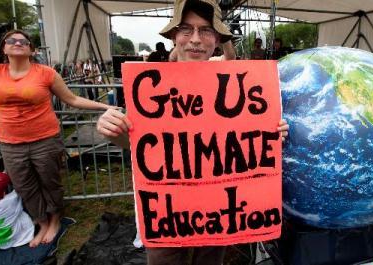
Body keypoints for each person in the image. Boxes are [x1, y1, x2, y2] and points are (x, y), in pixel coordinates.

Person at [96, 1, 289, 264]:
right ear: (174, 36)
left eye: (206, 30)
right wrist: (112, 129)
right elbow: (135, 143)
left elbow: (241, 140)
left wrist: (269, 134)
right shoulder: (151, 86)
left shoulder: (233, 83)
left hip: (219, 209)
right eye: (186, 29)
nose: (196, 40)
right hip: (168, 212)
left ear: (217, 39)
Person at [0, 29, 117, 247]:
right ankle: (41, 222)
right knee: (24, 185)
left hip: (45, 140)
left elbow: (72, 99)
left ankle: (55, 219)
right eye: (11, 40)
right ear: (4, 48)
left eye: (24, 41)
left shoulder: (46, 73)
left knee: (50, 181)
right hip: (10, 143)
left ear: (31, 49)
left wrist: (106, 106)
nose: (17, 43)